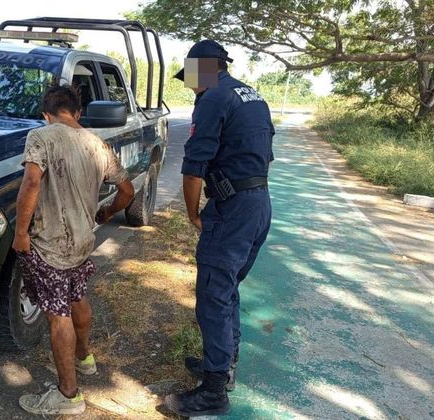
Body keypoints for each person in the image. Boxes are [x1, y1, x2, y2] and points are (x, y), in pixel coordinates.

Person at [164, 40, 274, 417]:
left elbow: (194, 165)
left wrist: (194, 212)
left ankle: (213, 390)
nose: (190, 85)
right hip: (258, 204)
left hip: (233, 210)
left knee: (212, 294)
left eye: (191, 77)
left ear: (205, 69)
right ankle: (224, 361)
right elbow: (265, 157)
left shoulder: (213, 97)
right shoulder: (252, 95)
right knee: (227, 288)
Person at [14, 85, 135, 416]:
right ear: (78, 113)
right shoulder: (98, 144)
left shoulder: (41, 136)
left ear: (46, 114)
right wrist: (107, 213)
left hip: (51, 244)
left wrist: (20, 232)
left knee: (57, 315)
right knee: (77, 297)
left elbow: (31, 182)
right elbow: (127, 191)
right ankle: (84, 359)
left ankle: (68, 396)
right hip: (83, 242)